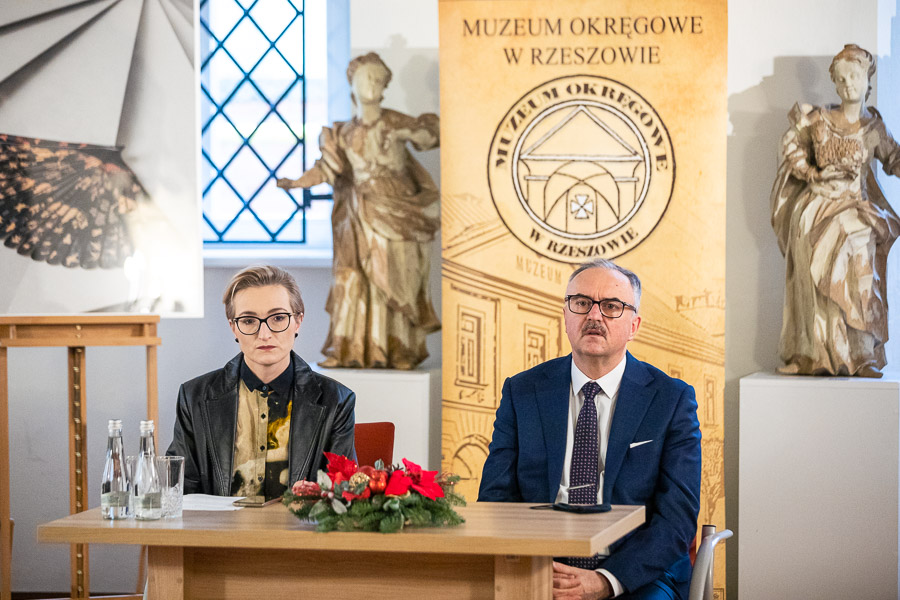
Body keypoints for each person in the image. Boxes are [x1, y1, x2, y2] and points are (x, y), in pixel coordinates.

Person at [478, 259, 701, 600]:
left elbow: (677, 518)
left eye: (611, 306)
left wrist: (605, 581)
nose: (594, 315)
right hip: (540, 567)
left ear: (634, 325)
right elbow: (495, 500)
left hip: (636, 575)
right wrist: (535, 570)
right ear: (566, 316)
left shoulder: (671, 399)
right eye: (581, 303)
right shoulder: (522, 391)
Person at [277, 52, 440, 370]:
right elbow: (327, 168)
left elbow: (430, 135)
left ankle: (399, 348)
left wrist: (410, 133)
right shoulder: (342, 133)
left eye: (379, 78)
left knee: (396, 278)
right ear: (352, 83)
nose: (372, 84)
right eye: (366, 77)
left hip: (398, 212)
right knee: (353, 279)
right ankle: (352, 348)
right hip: (357, 215)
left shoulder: (395, 122)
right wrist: (297, 182)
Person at [167, 265, 356, 498]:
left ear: (298, 321)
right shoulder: (193, 397)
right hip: (219, 523)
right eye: (249, 321)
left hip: (299, 523)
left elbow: (340, 495)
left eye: (278, 318)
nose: (264, 334)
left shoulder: (337, 400)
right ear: (233, 327)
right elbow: (181, 492)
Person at [771, 44, 900, 377]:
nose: (848, 84)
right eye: (841, 79)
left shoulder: (873, 128)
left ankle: (861, 354)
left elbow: (894, 159)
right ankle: (808, 353)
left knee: (860, 264)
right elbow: (791, 146)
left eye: (854, 76)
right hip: (816, 206)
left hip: (856, 207)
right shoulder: (819, 120)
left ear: (867, 79)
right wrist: (810, 173)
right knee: (809, 275)